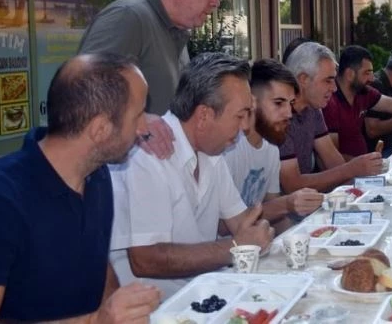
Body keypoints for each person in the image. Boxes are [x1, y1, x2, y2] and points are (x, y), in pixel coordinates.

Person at [0, 54, 160, 321]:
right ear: (100, 129)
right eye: (138, 115)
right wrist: (95, 321)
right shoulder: (0, 198)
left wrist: (121, 309)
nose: (145, 127)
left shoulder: (98, 175)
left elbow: (94, 261)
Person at [110, 53, 274, 298]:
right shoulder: (147, 155)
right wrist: (237, 247)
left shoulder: (213, 153)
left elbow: (241, 223)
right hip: (154, 310)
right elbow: (145, 259)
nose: (244, 128)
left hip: (201, 297)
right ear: (204, 115)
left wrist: (259, 233)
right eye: (239, 116)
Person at [78, 0, 221, 158]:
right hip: (115, 179)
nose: (215, 3)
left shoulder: (175, 32)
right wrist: (140, 120)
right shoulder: (128, 17)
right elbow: (82, 90)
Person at [223, 59, 323, 232]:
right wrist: (286, 204)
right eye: (278, 103)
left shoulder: (271, 150)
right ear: (251, 102)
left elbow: (274, 217)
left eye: (290, 104)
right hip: (224, 254)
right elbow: (221, 226)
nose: (289, 113)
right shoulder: (227, 147)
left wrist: (308, 235)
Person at [280, 42, 384, 193]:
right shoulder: (281, 116)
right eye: (328, 80)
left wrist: (367, 181)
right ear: (303, 79)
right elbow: (293, 185)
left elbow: (333, 162)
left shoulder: (313, 109)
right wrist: (352, 169)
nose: (334, 88)